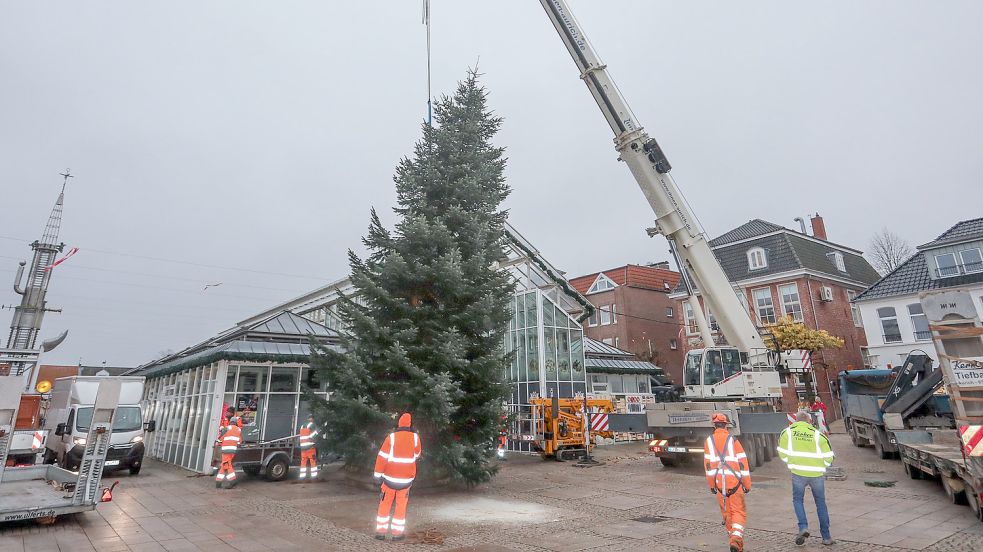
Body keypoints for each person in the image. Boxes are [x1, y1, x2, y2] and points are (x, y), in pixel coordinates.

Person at [778, 411, 836, 546]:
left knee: (798, 500)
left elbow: (782, 453)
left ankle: (803, 526)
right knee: (820, 503)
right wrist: (822, 466)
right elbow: (829, 456)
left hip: (798, 473)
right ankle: (826, 537)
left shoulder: (787, 433)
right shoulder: (818, 435)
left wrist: (791, 463)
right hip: (816, 474)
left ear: (795, 421)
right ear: (810, 421)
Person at [703, 412, 751, 552]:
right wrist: (747, 484)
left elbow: (708, 466)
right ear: (726, 426)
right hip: (735, 483)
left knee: (727, 514)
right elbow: (743, 463)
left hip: (719, 485)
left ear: (714, 426)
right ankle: (735, 540)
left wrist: (712, 485)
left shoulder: (709, 441)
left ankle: (734, 540)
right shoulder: (733, 440)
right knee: (738, 512)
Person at [373, 413, 422, 541]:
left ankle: (380, 532)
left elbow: (382, 457)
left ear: (399, 424)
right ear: (410, 425)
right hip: (406, 480)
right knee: (401, 506)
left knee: (384, 504)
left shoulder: (391, 437)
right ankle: (397, 534)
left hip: (389, 479)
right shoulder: (416, 438)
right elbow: (417, 455)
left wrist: (377, 476)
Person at [215, 412, 242, 489]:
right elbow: (240, 441)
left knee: (227, 465)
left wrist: (218, 444)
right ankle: (218, 482)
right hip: (233, 450)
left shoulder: (226, 428)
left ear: (230, 422)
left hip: (225, 450)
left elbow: (220, 439)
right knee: (224, 465)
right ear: (236, 422)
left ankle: (232, 481)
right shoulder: (238, 430)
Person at [297, 414, 319, 481]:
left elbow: (301, 436)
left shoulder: (302, 426)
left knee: (303, 462)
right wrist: (318, 431)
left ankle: (302, 477)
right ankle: (314, 476)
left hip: (303, 448)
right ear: (312, 419)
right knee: (313, 461)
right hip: (310, 447)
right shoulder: (312, 425)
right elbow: (313, 435)